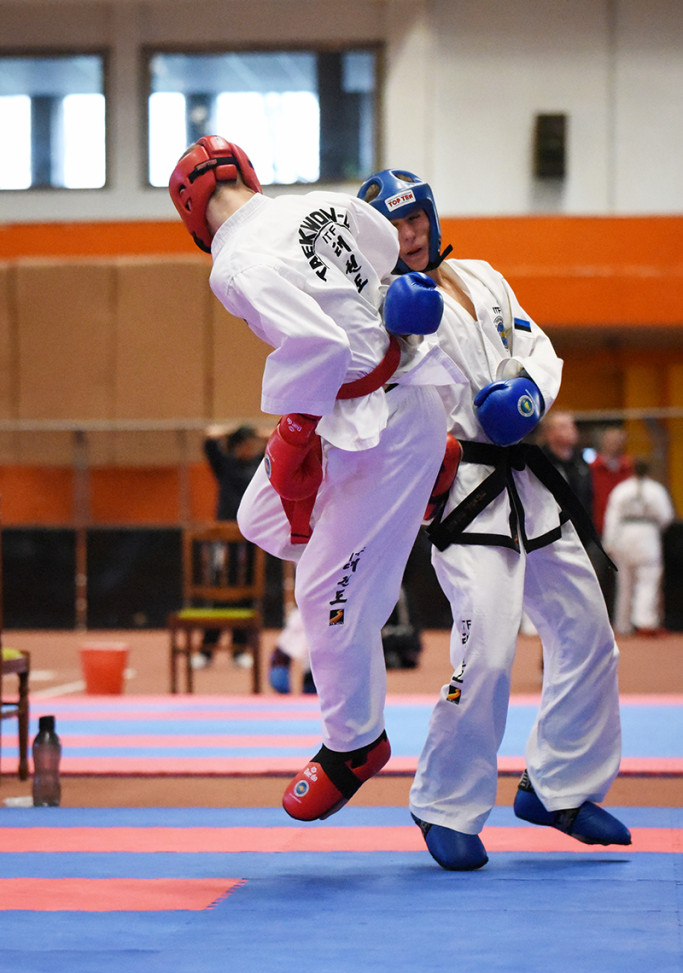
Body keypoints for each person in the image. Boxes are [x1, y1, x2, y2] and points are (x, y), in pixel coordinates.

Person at [169, 136, 463, 823]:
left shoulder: (234, 263)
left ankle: (354, 744)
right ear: (247, 175)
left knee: (323, 595)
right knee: (260, 517)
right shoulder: (317, 204)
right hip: (379, 405)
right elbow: (384, 252)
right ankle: (393, 525)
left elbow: (319, 343)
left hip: (380, 422)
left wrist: (295, 428)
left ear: (190, 213)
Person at [358, 168, 631, 870]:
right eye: (394, 227)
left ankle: (560, 787)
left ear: (432, 219)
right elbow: (368, 389)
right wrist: (391, 329)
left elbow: (535, 346)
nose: (409, 234)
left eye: (416, 219)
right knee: (485, 650)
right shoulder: (372, 305)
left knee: (590, 636)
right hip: (462, 489)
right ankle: (444, 804)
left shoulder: (483, 276)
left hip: (530, 485)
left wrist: (528, 395)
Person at [192, 423, 265, 670]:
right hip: (224, 541)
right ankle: (206, 651)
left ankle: (239, 649)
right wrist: (229, 430)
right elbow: (209, 443)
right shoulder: (225, 466)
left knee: (246, 596)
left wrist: (260, 433)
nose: (248, 449)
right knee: (220, 595)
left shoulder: (260, 466)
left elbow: (274, 446)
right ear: (235, 447)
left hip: (251, 541)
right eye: (244, 444)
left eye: (251, 444)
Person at [603, 459, 675, 636]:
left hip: (624, 535)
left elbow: (612, 517)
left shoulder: (621, 489)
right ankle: (645, 621)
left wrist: (609, 543)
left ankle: (623, 624)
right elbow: (666, 516)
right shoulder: (656, 490)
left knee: (624, 583)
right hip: (647, 534)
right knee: (647, 579)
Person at [589, 425, 634, 619]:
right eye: (611, 440)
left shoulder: (629, 468)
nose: (615, 444)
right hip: (596, 530)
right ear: (603, 442)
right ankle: (594, 619)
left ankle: (621, 620)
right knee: (594, 577)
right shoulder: (592, 468)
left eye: (619, 440)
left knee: (624, 580)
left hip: (624, 533)